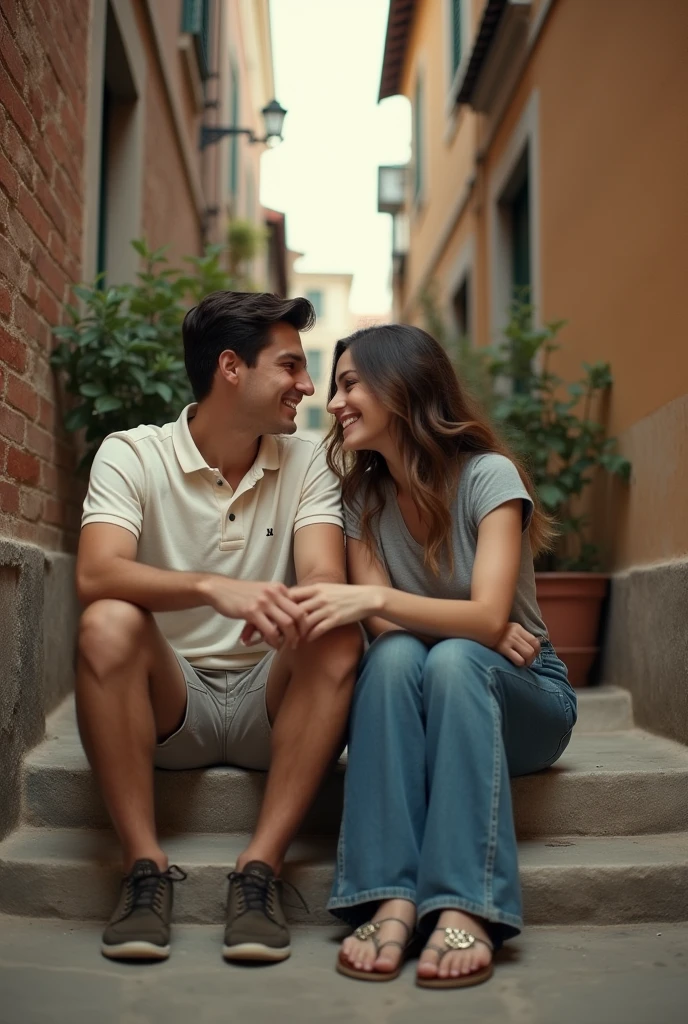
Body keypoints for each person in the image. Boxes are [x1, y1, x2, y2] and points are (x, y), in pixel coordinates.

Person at [75, 290, 362, 963]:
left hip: (270, 701)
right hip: (169, 704)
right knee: (106, 622)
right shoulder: (132, 454)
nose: (308, 385)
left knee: (336, 624)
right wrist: (212, 587)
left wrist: (298, 605)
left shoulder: (310, 459)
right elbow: (96, 573)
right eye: (290, 367)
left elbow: (322, 573)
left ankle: (259, 871)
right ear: (231, 368)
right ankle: (143, 870)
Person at [290, 324, 577, 989]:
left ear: (404, 386)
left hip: (529, 696)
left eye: (351, 384)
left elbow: (477, 616)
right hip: (431, 686)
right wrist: (463, 628)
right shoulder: (362, 500)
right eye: (336, 388)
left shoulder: (488, 477)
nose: (335, 403)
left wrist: (441, 621)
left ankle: (463, 903)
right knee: (398, 662)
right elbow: (392, 634)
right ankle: (390, 895)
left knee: (451, 659)